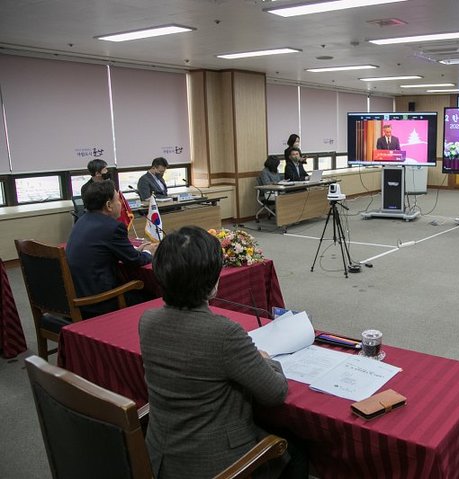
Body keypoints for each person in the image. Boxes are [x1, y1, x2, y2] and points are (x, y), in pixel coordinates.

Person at [139, 226, 305, 479]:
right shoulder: (224, 333)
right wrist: (265, 359)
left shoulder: (147, 320)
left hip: (161, 457)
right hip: (216, 465)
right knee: (297, 454)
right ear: (212, 281)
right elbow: (275, 392)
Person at [66, 180, 155, 317]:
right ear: (108, 205)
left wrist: (135, 252)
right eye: (119, 200)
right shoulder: (112, 227)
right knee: (155, 294)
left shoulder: (82, 220)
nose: (121, 204)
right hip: (99, 301)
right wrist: (149, 251)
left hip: (78, 294)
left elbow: (106, 252)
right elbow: (135, 261)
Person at [80, 158, 134, 227]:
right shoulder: (86, 188)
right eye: (105, 169)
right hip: (97, 220)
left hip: (111, 217)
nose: (107, 171)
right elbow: (91, 208)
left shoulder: (108, 184)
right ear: (97, 173)